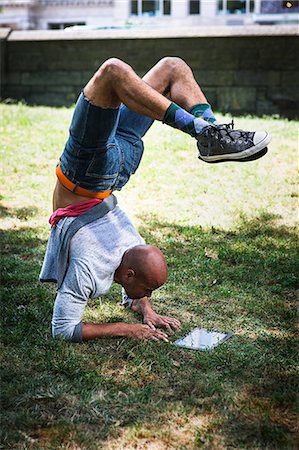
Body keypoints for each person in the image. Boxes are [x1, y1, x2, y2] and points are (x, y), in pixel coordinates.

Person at [39, 57, 271, 343]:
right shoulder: (109, 258)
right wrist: (134, 320)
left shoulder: (110, 258)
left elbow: (69, 325)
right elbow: (68, 325)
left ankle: (208, 133)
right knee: (153, 70)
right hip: (95, 173)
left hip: (100, 173)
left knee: (137, 71)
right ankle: (208, 131)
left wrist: (137, 314)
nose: (149, 296)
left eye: (149, 293)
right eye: (148, 291)